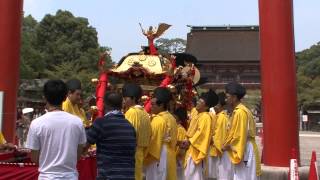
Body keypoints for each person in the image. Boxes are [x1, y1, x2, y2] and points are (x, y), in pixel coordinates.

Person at [26, 80, 87, 179]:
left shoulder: (36, 124)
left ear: (44, 97)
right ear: (65, 97)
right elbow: (78, 153)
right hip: (70, 176)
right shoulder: (77, 122)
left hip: (46, 176)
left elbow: (34, 158)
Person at [86, 92, 136, 179]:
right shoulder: (130, 126)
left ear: (104, 104)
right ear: (121, 105)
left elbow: (85, 145)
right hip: (128, 175)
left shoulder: (101, 123)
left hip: (108, 175)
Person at [223, 82, 261, 180]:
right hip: (243, 147)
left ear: (234, 97)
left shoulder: (240, 112)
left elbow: (239, 135)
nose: (225, 99)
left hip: (244, 149)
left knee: (244, 177)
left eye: (227, 97)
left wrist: (229, 146)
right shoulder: (241, 110)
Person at [183, 89, 218, 180]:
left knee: (193, 175)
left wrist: (189, 141)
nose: (197, 102)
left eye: (200, 101)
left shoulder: (206, 117)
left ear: (206, 106)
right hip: (192, 148)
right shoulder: (199, 115)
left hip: (196, 150)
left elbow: (201, 133)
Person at [145, 87, 177, 180]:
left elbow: (153, 140)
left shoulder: (158, 120)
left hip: (158, 154)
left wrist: (144, 154)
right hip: (170, 153)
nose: (151, 107)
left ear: (161, 105)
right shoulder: (172, 118)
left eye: (153, 104)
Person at [122, 83, 152, 180]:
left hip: (130, 153)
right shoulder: (144, 113)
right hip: (141, 153)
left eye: (126, 98)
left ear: (133, 98)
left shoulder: (131, 112)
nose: (124, 101)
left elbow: (127, 135)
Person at [214, 92, 233, 180]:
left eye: (216, 104)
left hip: (222, 150)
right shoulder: (223, 116)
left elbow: (219, 136)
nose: (214, 107)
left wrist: (218, 147)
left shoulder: (221, 118)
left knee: (223, 175)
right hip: (225, 150)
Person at [173, 108, 188, 180]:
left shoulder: (181, 130)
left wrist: (176, 157)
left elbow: (182, 147)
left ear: (179, 121)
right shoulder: (176, 128)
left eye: (174, 119)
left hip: (178, 159)